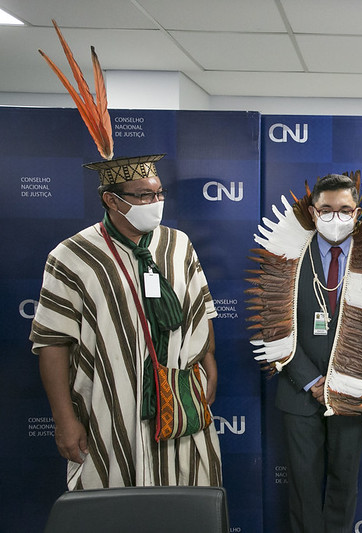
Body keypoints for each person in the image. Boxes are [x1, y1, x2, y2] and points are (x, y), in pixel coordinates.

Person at [31, 22, 221, 490]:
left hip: (181, 406)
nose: (153, 202)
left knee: (185, 502)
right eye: (139, 195)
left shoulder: (177, 244)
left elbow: (201, 313)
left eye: (157, 192)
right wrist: (63, 419)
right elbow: (52, 343)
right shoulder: (72, 255)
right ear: (111, 199)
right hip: (109, 409)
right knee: (117, 507)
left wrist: (208, 370)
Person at [247, 164, 362, 533]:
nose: (337, 218)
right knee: (302, 486)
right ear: (313, 212)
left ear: (357, 211)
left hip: (351, 389)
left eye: (346, 211)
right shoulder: (285, 256)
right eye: (328, 210)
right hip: (298, 389)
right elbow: (272, 325)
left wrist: (338, 382)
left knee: (344, 482)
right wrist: (312, 381)